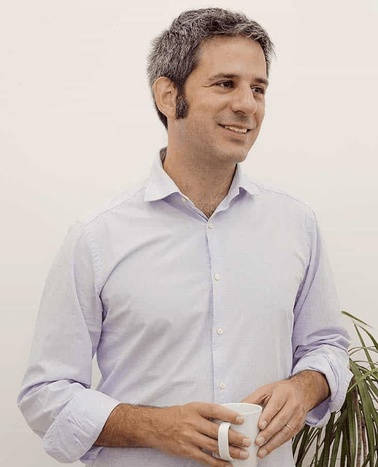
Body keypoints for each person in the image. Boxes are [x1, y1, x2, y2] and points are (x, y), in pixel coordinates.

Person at [18, 8, 352, 467]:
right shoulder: (97, 237)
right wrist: (155, 426)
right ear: (168, 95)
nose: (247, 104)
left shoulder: (297, 224)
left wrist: (304, 387)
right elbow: (45, 394)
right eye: (225, 84)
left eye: (258, 88)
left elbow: (326, 346)